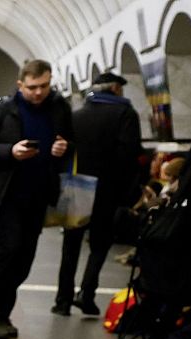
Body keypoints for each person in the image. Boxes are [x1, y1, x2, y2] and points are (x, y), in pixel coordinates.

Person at [0, 58, 74, 339]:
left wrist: (64, 148)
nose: (39, 93)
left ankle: (1, 311)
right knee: (8, 252)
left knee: (25, 258)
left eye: (45, 86)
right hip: (4, 197)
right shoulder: (0, 111)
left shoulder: (59, 108)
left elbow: (70, 142)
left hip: (38, 195)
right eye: (33, 87)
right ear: (20, 85)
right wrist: (9, 151)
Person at [54, 72, 141, 317]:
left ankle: (62, 300)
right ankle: (87, 295)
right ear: (115, 89)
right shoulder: (125, 114)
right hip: (107, 189)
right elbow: (129, 155)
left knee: (70, 246)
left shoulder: (77, 115)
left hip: (76, 185)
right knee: (100, 245)